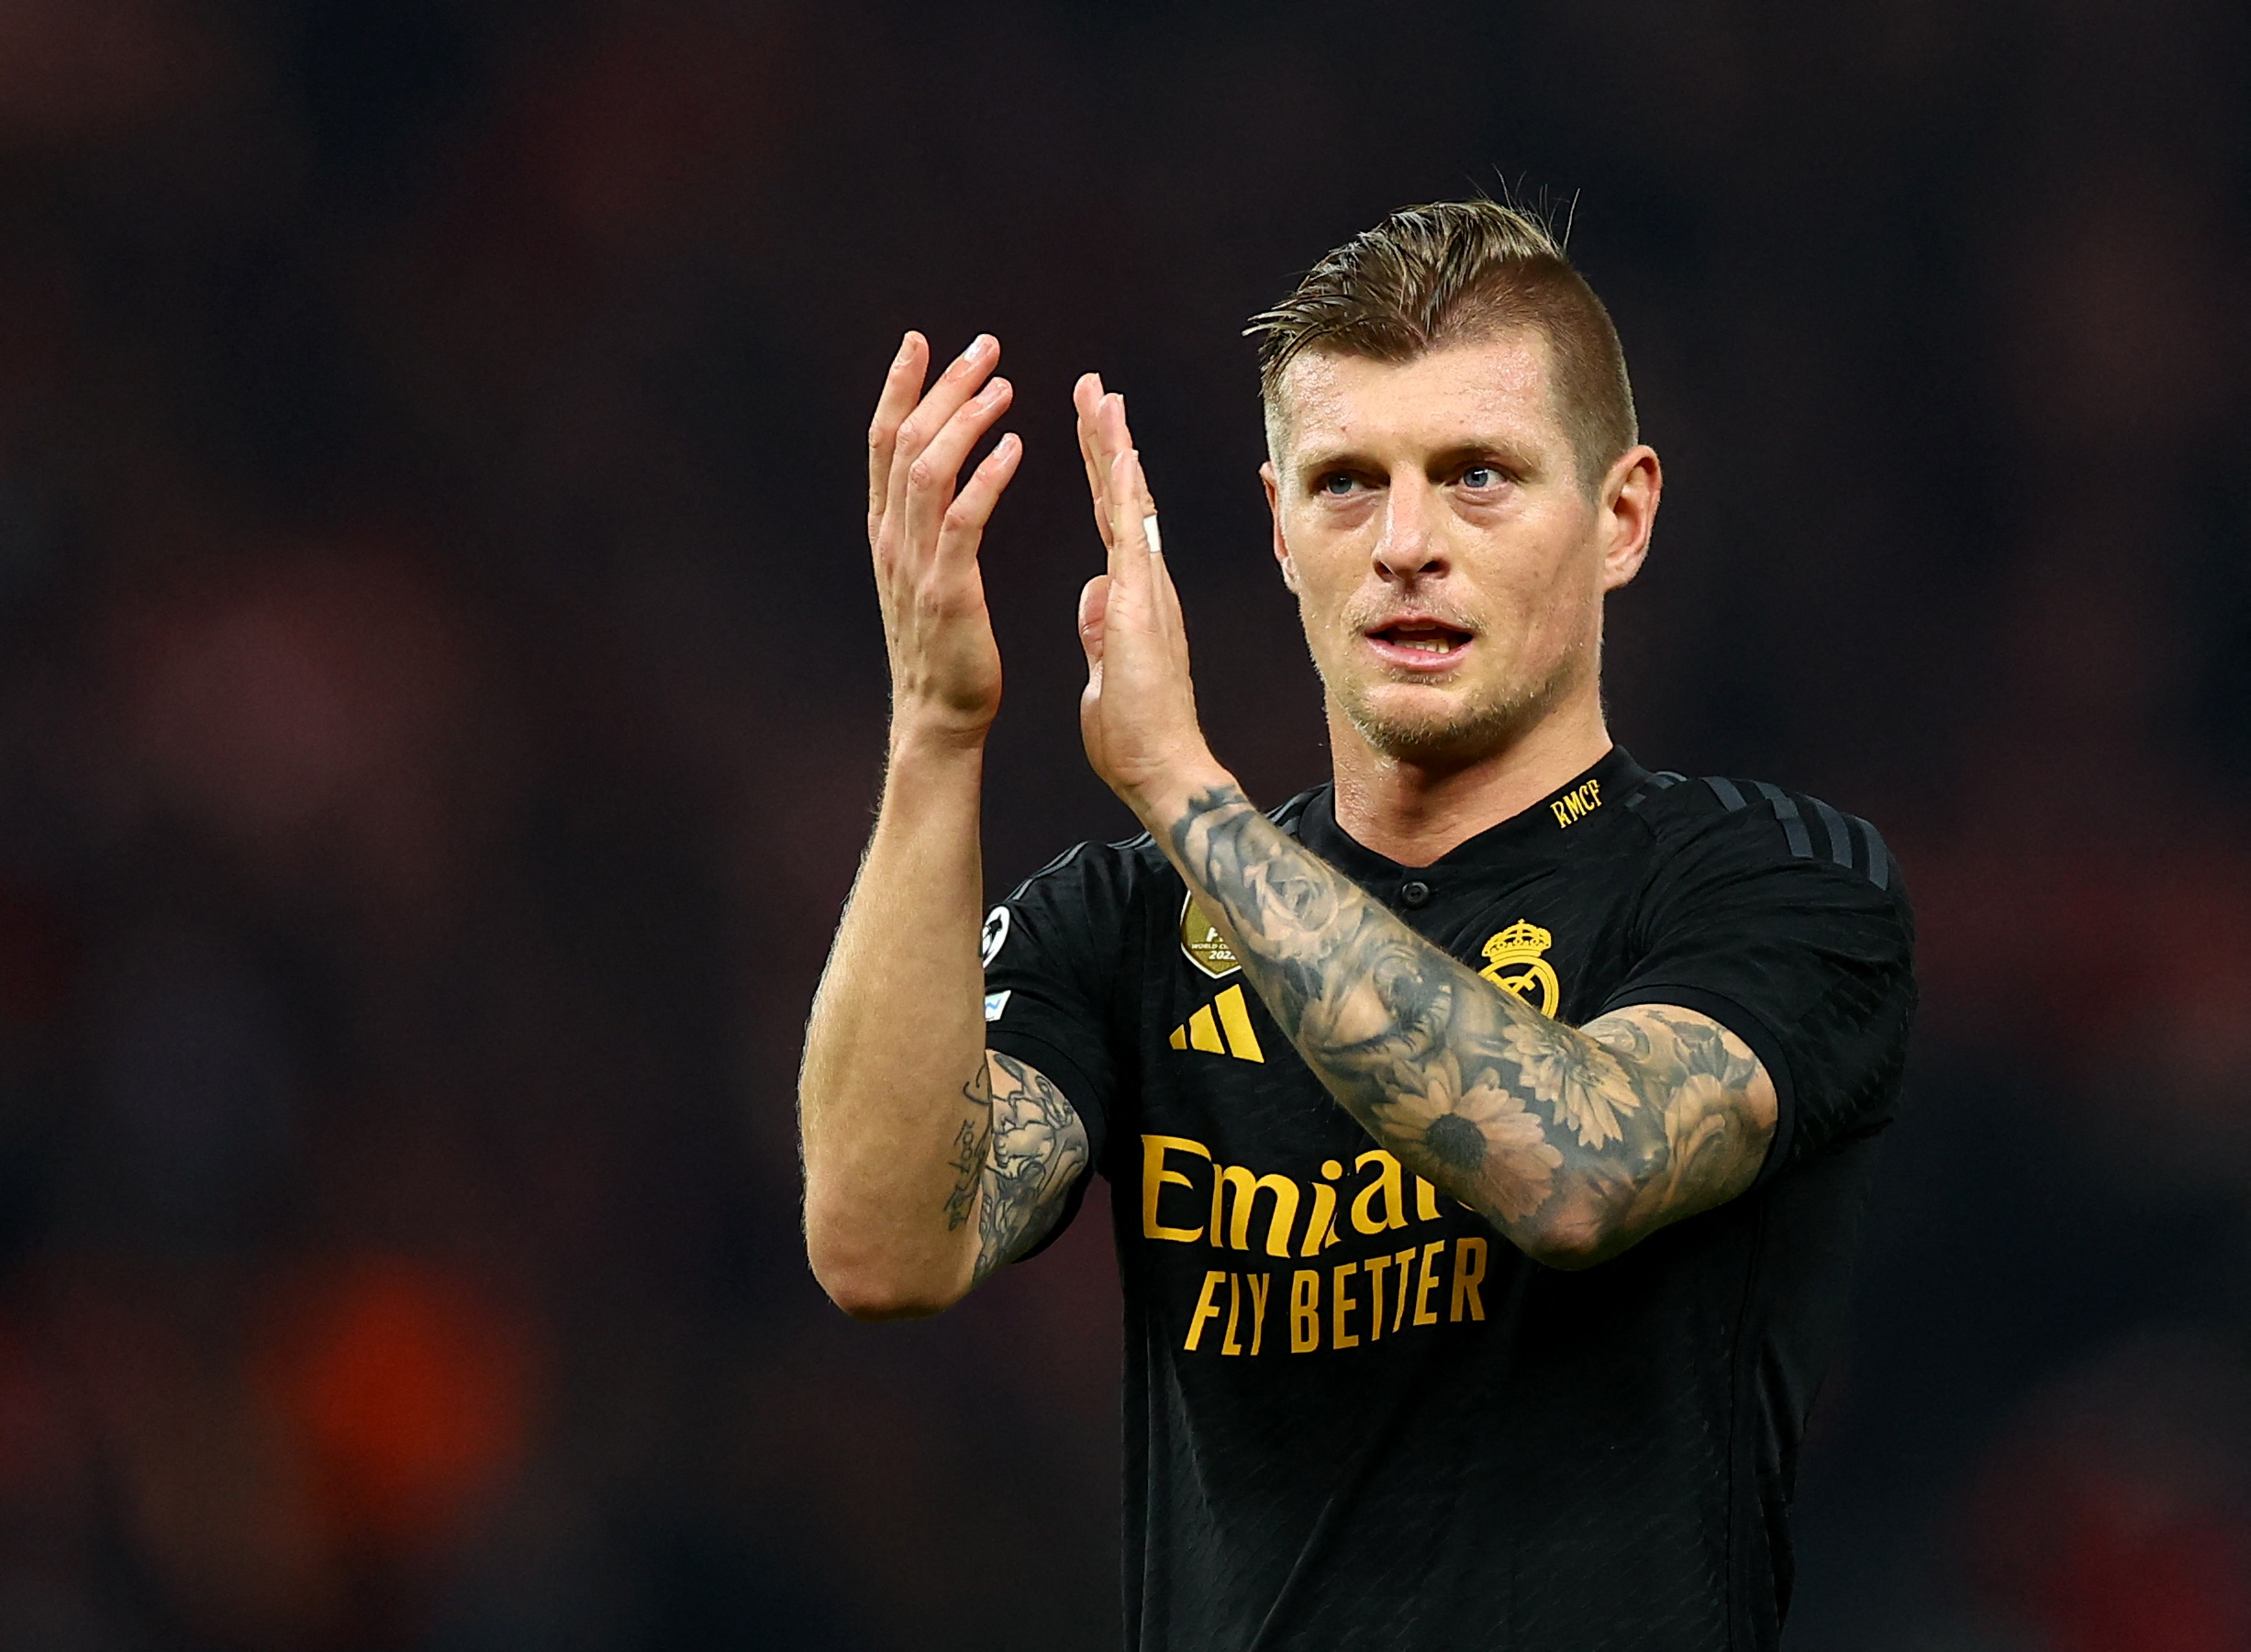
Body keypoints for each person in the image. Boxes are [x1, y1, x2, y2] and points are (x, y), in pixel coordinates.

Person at [797, 199, 1916, 1651]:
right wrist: (937, 734)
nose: (1404, 543)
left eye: (1476, 477)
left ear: (1622, 514)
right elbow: (886, 1251)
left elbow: (1575, 1166)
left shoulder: (1769, 881)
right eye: (1344, 483)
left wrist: (1184, 791)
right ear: (1273, 526)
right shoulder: (1127, 922)